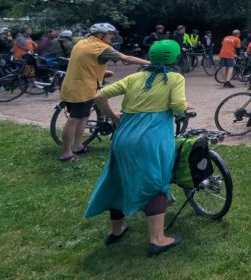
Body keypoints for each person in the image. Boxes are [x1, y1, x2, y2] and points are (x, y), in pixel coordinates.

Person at [85, 39, 188, 257]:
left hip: (124, 136)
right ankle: (158, 240)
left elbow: (98, 95)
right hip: (153, 138)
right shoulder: (175, 78)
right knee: (155, 183)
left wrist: (112, 116)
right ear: (174, 59)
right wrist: (184, 106)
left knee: (118, 180)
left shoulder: (134, 77)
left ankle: (116, 230)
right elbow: (178, 108)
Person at [59, 23, 149, 162]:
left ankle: (78, 146)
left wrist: (101, 71)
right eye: (110, 34)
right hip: (82, 89)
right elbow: (126, 59)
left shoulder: (82, 42)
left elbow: (82, 61)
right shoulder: (101, 47)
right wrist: (149, 63)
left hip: (71, 85)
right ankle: (66, 153)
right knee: (74, 120)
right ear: (100, 35)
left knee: (83, 117)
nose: (113, 37)